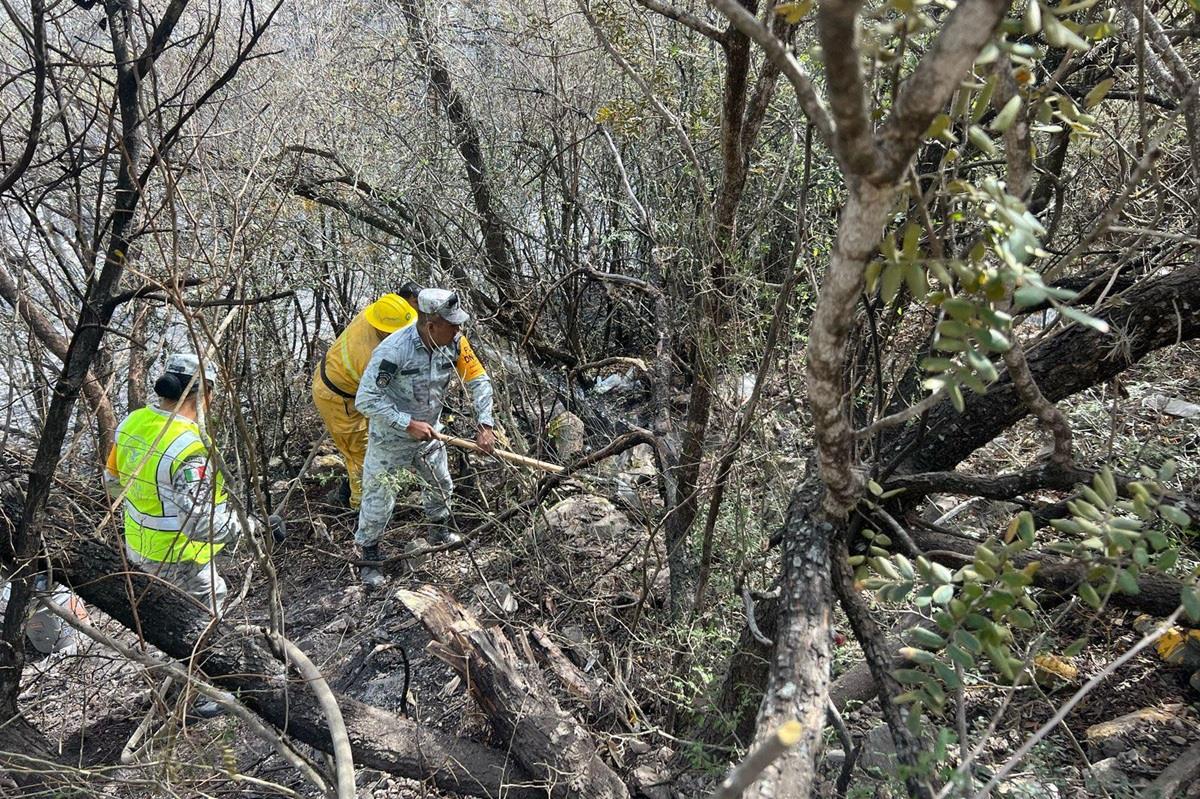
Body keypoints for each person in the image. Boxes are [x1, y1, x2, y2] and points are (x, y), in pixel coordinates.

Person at [105, 353, 276, 614]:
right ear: (205, 392)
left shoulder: (132, 422)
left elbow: (112, 483)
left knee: (162, 624)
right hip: (183, 561)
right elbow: (199, 524)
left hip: (138, 553)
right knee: (206, 625)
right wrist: (255, 526)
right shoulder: (190, 449)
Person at [353, 288, 496, 586]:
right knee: (379, 498)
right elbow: (366, 399)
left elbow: (478, 380)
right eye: (452, 323)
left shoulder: (456, 342)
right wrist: (406, 424)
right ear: (431, 326)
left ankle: (439, 532)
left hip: (431, 434)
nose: (459, 328)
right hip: (391, 438)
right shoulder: (394, 351)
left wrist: (485, 425)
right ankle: (369, 557)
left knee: (441, 484)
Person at [311, 284, 421, 509]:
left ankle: (355, 492)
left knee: (375, 445)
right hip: (339, 399)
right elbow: (381, 398)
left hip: (345, 383)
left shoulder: (381, 312)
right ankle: (360, 511)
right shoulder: (372, 357)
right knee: (360, 457)